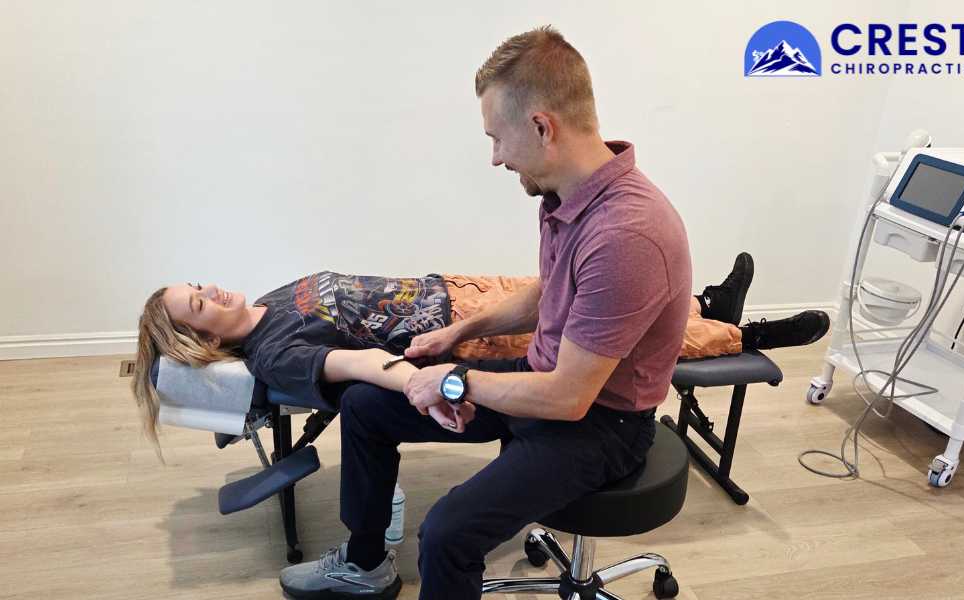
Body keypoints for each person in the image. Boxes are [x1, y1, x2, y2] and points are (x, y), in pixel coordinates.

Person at [276, 27, 827, 600]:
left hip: (601, 425)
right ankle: (365, 565)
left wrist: (457, 381)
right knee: (366, 405)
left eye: (497, 138)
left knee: (446, 534)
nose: (495, 157)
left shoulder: (627, 234)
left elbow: (568, 399)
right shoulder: (565, 195)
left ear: (542, 127)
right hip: (545, 381)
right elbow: (548, 292)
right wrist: (459, 332)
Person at [131, 256, 828, 453]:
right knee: (609, 331)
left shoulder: (270, 300)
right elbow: (361, 365)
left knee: (586, 285)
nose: (210, 290)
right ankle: (750, 334)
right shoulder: (275, 352)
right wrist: (427, 379)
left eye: (197, 284)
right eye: (199, 305)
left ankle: (705, 303)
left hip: (456, 293)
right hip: (468, 337)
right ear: (207, 339)